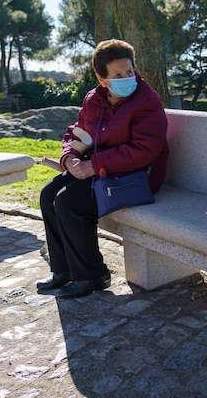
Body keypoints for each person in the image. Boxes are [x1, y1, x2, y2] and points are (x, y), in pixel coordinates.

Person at [37, 39, 169, 299]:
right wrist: (70, 158)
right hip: (103, 171)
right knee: (48, 194)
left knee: (69, 203)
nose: (127, 78)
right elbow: (78, 133)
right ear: (102, 78)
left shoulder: (146, 101)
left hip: (137, 176)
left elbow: (144, 151)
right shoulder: (94, 99)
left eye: (129, 71)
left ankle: (92, 275)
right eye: (118, 74)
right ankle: (63, 269)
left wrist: (91, 166)